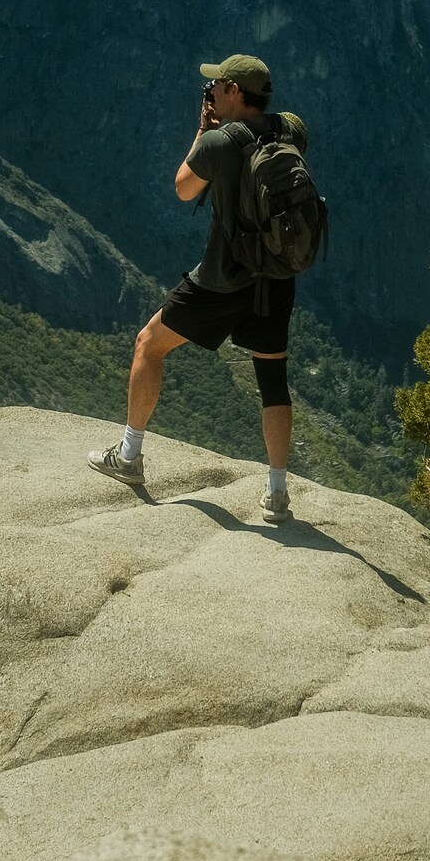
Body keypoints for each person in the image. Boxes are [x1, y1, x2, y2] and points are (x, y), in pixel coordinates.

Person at [88, 53, 305, 524]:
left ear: (232, 91)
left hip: (223, 279)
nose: (212, 92)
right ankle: (277, 492)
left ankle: (129, 456)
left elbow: (184, 187)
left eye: (218, 86)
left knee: (149, 344)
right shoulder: (290, 129)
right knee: (273, 381)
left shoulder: (219, 142)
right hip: (275, 279)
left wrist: (203, 131)